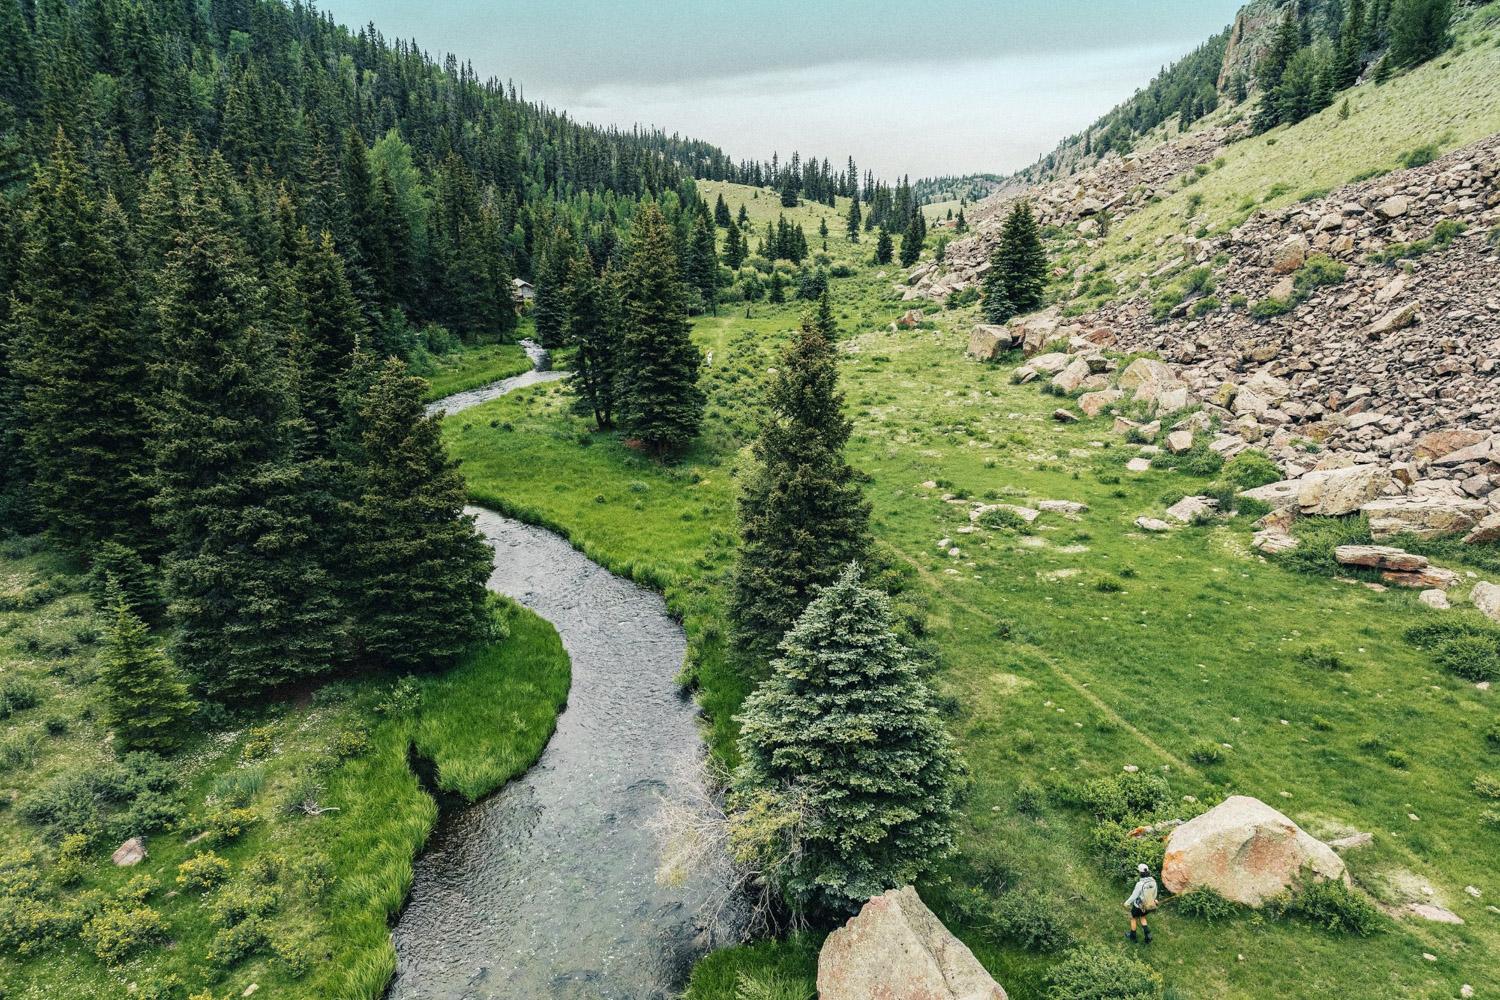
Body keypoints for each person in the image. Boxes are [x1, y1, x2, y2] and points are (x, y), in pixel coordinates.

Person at [1124, 863, 1158, 943]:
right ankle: (1148, 935)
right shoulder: (1153, 882)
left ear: (1140, 873)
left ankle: (1132, 937)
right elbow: (1155, 893)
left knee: (1133, 918)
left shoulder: (1140, 884)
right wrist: (1154, 900)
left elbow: (1134, 896)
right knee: (1142, 917)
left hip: (1138, 906)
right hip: (1149, 905)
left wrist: (1127, 903)